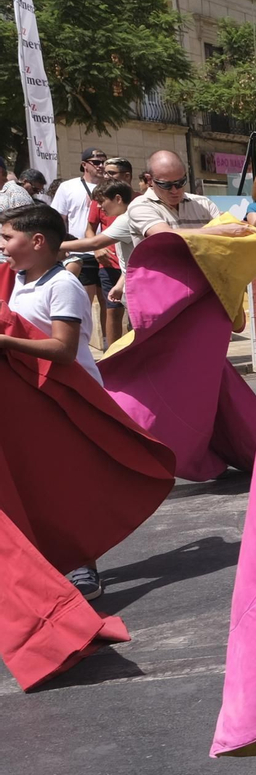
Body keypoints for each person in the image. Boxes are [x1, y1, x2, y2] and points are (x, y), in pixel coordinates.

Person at [0, 204, 105, 598]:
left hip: (71, 400)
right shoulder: (18, 280)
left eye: (8, 237)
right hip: (38, 399)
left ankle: (85, 568)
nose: (4, 246)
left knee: (68, 487)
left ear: (37, 241)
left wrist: (6, 342)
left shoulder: (62, 285)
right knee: (41, 485)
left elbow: (62, 349)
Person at [59, 180, 139, 343]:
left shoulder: (125, 219)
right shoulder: (133, 215)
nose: (100, 207)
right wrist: (120, 285)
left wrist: (55, 245)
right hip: (133, 286)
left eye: (102, 201)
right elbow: (134, 260)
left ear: (117, 199)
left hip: (139, 292)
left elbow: (94, 243)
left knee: (138, 333)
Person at [125, 151, 248, 245]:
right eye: (166, 185)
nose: (174, 190)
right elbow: (165, 235)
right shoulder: (140, 206)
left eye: (180, 183)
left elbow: (231, 232)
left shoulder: (203, 203)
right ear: (149, 180)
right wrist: (222, 230)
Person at [54, 148, 108, 321]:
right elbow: (58, 219)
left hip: (109, 251)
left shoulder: (111, 187)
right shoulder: (68, 187)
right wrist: (62, 247)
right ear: (84, 165)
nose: (101, 166)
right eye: (97, 162)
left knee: (109, 301)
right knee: (84, 300)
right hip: (81, 252)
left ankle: (108, 343)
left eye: (104, 162)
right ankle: (82, 341)